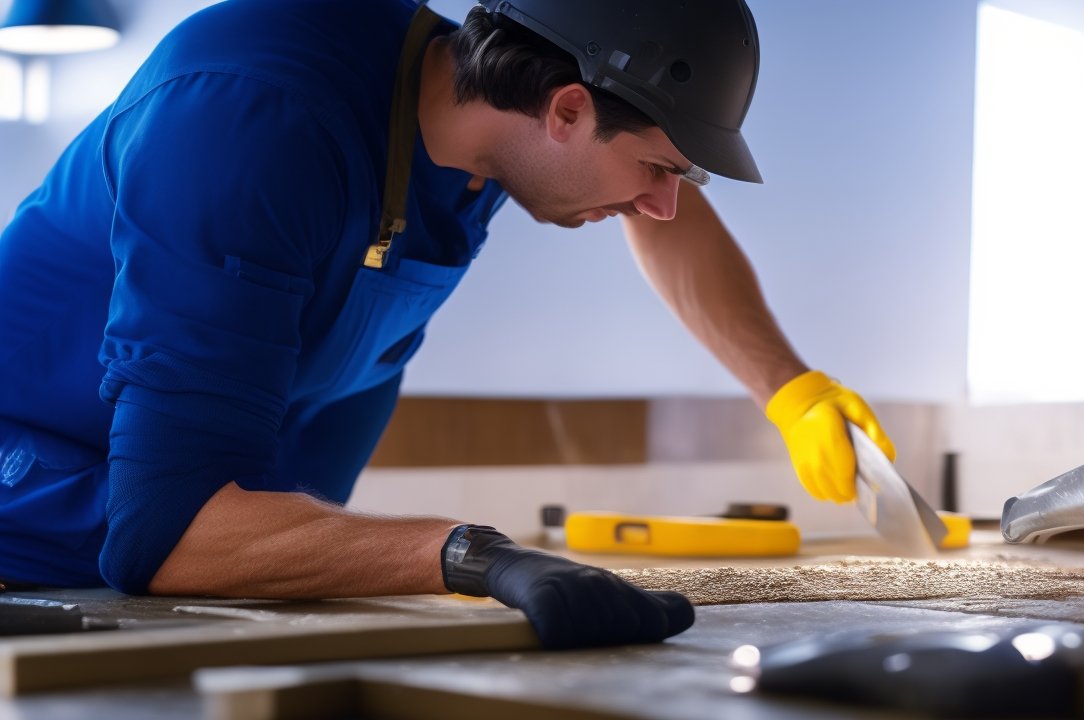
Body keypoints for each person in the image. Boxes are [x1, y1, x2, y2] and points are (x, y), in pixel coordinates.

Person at [0, 0, 896, 650]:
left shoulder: (484, 120)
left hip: (239, 537)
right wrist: (473, 555)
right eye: (660, 169)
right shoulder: (247, 119)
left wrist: (790, 390)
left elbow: (665, 212)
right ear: (568, 109)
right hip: (55, 519)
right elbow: (168, 533)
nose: (660, 206)